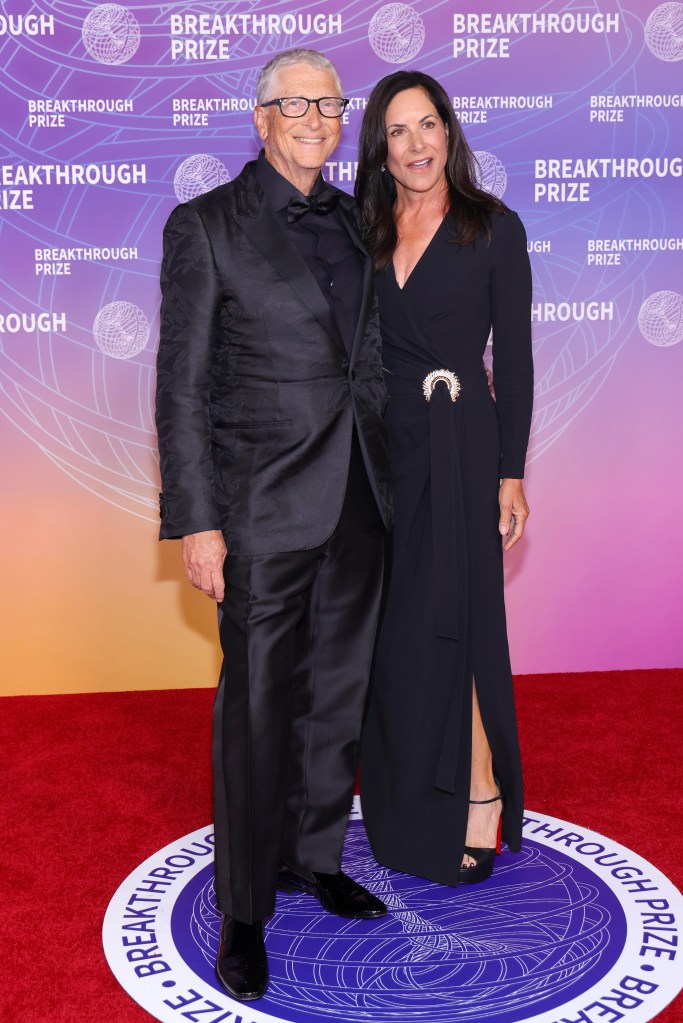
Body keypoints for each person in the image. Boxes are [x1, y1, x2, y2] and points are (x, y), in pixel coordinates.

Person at [155, 49, 393, 1002]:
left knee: (334, 697)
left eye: (328, 102)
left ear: (342, 120)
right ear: (259, 118)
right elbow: (179, 389)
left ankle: (311, 854)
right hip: (257, 509)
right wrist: (196, 522)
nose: (311, 116)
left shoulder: (356, 222)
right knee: (255, 709)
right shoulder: (205, 225)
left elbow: (372, 361)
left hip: (361, 502)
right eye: (291, 101)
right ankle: (244, 906)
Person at [355, 71, 533, 888]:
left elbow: (518, 363)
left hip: (462, 446)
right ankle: (405, 798)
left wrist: (511, 471)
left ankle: (481, 788)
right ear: (380, 149)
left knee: (456, 625)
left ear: (449, 133)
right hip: (382, 456)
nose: (418, 144)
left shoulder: (492, 229)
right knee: (395, 638)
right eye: (399, 131)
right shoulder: (363, 229)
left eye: (428, 125)